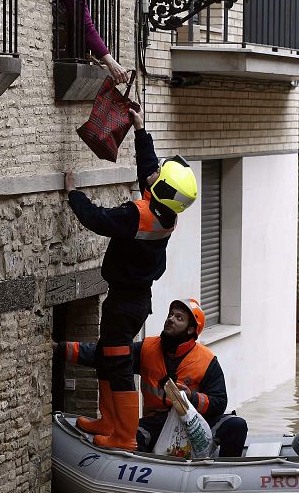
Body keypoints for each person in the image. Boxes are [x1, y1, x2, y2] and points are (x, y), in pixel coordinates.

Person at [64, 107, 198, 451]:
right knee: (108, 357)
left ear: (162, 188)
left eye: (159, 177)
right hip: (133, 300)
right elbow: (148, 171)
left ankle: (123, 435)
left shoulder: (138, 216)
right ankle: (108, 421)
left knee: (119, 364)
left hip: (126, 303)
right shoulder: (166, 213)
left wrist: (73, 193)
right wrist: (140, 131)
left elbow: (97, 219)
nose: (154, 176)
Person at [54, 298, 248, 459]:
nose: (170, 319)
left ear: (190, 330)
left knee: (236, 425)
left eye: (179, 318)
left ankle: (225, 473)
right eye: (170, 315)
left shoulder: (206, 360)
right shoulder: (147, 349)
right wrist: (60, 348)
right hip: (156, 422)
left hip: (196, 422)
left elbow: (219, 402)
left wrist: (192, 398)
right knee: (134, 440)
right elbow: (104, 356)